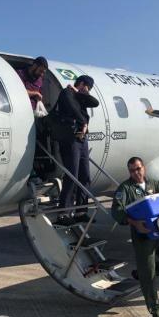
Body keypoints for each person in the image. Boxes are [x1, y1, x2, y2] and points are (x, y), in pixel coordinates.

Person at [111, 157, 159, 317]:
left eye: (138, 168)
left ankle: (141, 274)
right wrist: (134, 223)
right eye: (132, 170)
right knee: (149, 277)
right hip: (143, 238)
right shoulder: (125, 189)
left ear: (144, 168)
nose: (136, 173)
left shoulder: (154, 184)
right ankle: (156, 312)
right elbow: (117, 211)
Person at [55, 75, 99, 225]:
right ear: (82, 84)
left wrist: (80, 93)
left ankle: (81, 211)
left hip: (82, 140)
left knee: (85, 175)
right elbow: (73, 109)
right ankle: (63, 213)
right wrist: (83, 122)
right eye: (88, 87)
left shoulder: (80, 96)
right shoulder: (66, 93)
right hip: (71, 139)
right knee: (72, 175)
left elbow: (95, 102)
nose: (89, 91)